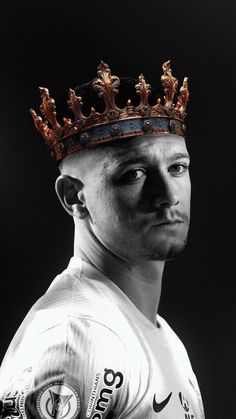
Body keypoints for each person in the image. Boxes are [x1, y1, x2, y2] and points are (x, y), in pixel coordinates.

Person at [0, 61, 205, 418]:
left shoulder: (160, 336)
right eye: (134, 173)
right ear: (74, 197)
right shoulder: (76, 338)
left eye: (177, 168)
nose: (168, 194)